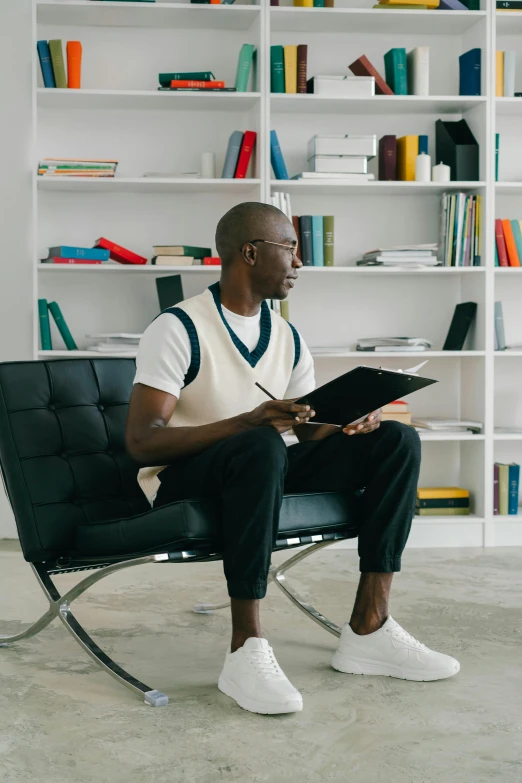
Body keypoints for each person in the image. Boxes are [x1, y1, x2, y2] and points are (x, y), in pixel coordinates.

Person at [125, 202, 460, 716]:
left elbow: (306, 431)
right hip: (184, 480)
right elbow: (143, 443)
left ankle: (369, 628)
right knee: (260, 443)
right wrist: (249, 422)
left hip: (263, 466)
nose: (300, 263)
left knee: (396, 440)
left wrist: (350, 424)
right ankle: (246, 648)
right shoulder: (178, 328)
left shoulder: (286, 334)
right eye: (291, 249)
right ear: (251, 252)